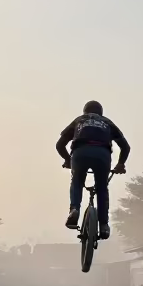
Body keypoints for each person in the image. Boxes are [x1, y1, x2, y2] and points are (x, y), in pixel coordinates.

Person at [56, 100, 130, 240]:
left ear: (85, 111)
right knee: (102, 189)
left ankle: (74, 210)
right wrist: (120, 164)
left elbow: (60, 144)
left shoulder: (79, 120)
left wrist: (68, 160)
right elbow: (126, 147)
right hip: (102, 154)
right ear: (101, 113)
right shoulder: (107, 122)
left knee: (77, 181)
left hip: (80, 152)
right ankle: (104, 225)